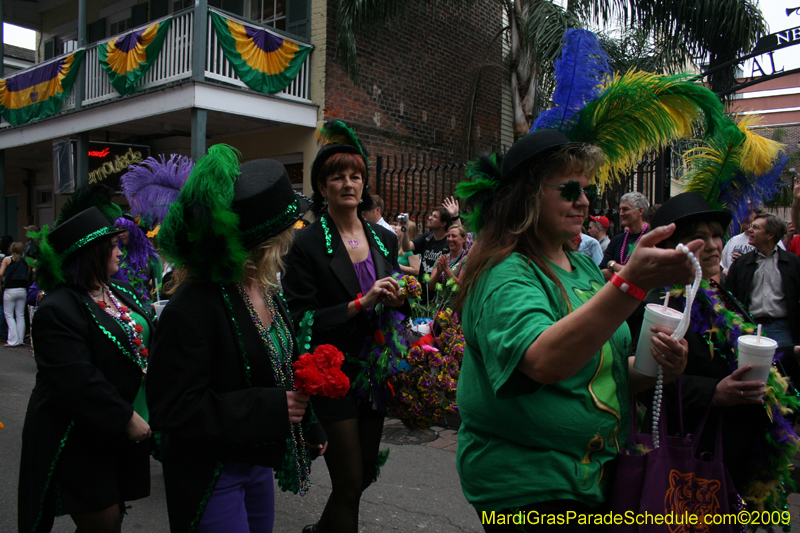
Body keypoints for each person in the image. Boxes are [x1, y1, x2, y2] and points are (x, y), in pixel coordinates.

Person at [454, 129, 696, 531]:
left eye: (587, 190)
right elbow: (543, 360)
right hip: (530, 488)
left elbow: (602, 369)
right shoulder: (504, 273)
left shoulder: (582, 266)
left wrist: (658, 366)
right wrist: (630, 287)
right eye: (569, 189)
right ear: (528, 194)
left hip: (593, 480)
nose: (583, 201)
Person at [148, 149, 326, 533]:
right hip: (210, 473)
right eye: (288, 230)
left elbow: (282, 365)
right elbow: (172, 409)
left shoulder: (265, 291)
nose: (292, 237)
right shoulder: (190, 306)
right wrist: (272, 407)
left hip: (256, 462)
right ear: (266, 241)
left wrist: (308, 424)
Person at [630, 192, 799, 519]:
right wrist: (714, 393)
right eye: (698, 238)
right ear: (670, 247)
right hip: (693, 461)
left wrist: (790, 356)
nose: (712, 245)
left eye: (717, 236)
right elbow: (645, 385)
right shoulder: (660, 306)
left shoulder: (716, 293)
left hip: (736, 455)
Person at [283, 120, 407, 533]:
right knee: (349, 479)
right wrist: (358, 303)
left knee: (363, 475)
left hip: (373, 372)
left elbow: (392, 300)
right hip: (331, 372)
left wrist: (398, 299)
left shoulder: (383, 239)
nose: (348, 183)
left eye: (355, 176)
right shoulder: (307, 244)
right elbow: (300, 319)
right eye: (337, 177)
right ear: (322, 187)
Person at [18, 189, 154, 533]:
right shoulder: (57, 308)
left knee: (114, 514)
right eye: (113, 247)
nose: (121, 252)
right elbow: (76, 377)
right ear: (93, 253)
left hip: (116, 431)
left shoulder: (117, 293)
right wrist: (126, 417)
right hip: (76, 432)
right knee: (102, 522)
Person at [725, 213, 800, 349]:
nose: (750, 230)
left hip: (782, 329)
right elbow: (729, 296)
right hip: (749, 327)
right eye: (751, 226)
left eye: (756, 227)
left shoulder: (792, 263)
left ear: (770, 235)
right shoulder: (741, 263)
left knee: (783, 368)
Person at [111, 216, 162, 305]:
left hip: (145, 307)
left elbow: (158, 288)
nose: (120, 233)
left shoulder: (151, 256)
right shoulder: (117, 255)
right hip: (123, 305)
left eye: (124, 229)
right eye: (118, 229)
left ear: (134, 231)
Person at [600, 191, 650, 280]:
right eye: (620, 210)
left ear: (640, 211)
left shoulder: (652, 238)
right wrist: (628, 274)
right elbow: (601, 272)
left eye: (625, 209)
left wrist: (613, 265)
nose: (621, 213)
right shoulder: (617, 240)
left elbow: (644, 275)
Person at [398, 205, 453, 279]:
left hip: (438, 287)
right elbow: (406, 248)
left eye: (434, 217)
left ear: (443, 223)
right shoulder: (427, 237)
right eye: (431, 215)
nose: (430, 218)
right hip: (422, 287)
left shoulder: (449, 241)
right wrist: (404, 228)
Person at [1, 242, 30, 346]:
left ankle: (12, 340)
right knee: (20, 315)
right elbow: (28, 273)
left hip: (10, 290)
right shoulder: (25, 261)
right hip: (22, 290)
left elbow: (1, 273)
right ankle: (20, 339)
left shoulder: (7, 260)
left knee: (9, 315)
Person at [429, 223, 467, 294]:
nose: (450, 239)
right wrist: (438, 272)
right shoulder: (442, 258)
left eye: (454, 236)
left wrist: (446, 269)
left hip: (455, 304)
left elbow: (460, 287)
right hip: (440, 303)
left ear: (464, 239)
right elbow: (431, 286)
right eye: (448, 236)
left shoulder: (466, 259)